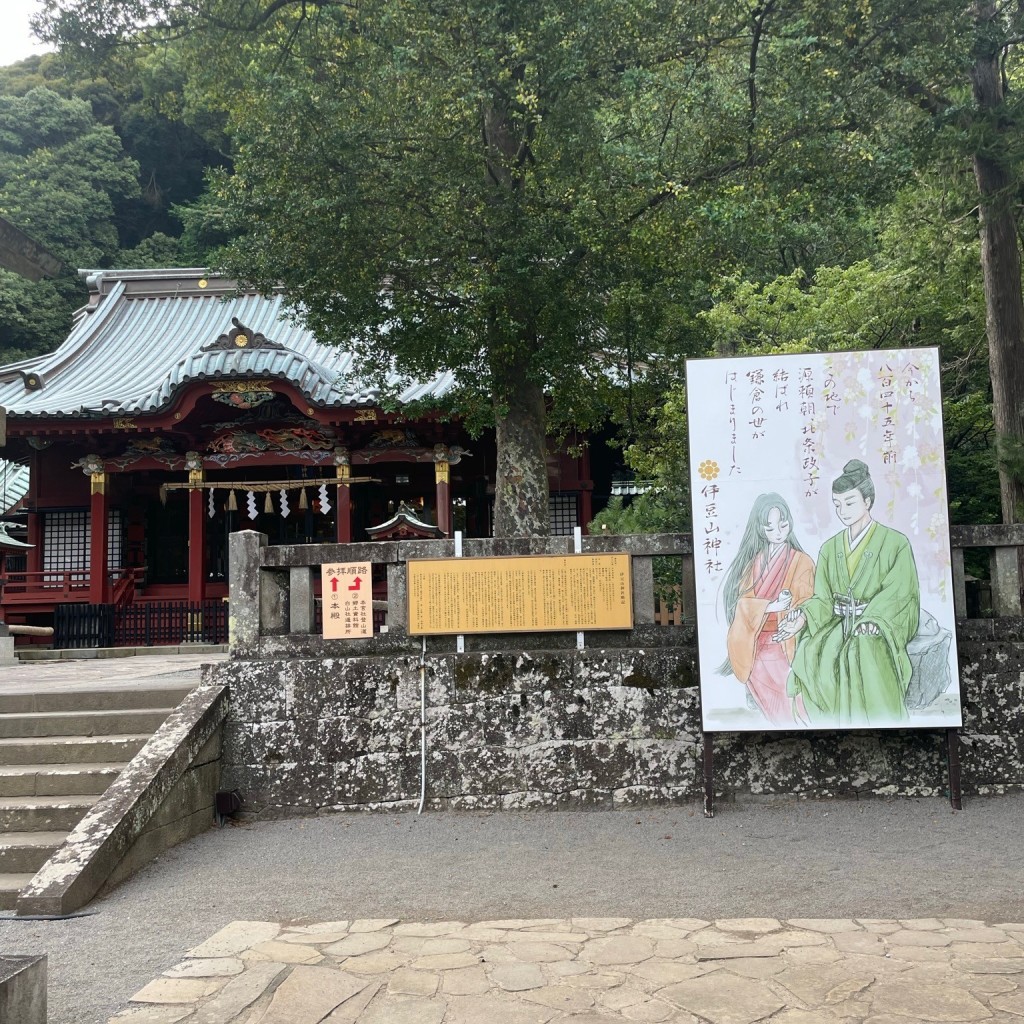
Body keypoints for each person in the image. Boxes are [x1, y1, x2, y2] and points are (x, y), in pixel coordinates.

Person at [774, 459, 920, 727]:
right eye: (838, 504)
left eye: (850, 503)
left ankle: (882, 725)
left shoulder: (896, 543)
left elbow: (901, 593)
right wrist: (802, 618)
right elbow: (823, 598)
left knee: (864, 648)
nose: (843, 511)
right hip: (837, 625)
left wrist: (875, 620)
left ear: (868, 501)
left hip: (874, 626)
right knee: (813, 655)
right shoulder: (830, 548)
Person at [718, 493, 815, 726]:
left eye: (783, 524)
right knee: (766, 672)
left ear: (789, 523)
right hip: (755, 641)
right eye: (770, 528)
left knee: (788, 683)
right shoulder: (753, 563)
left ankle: (800, 724)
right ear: (760, 529)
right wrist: (770, 606)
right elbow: (742, 604)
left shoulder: (802, 561)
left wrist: (791, 609)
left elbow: (808, 600)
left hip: (787, 639)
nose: (778, 532)